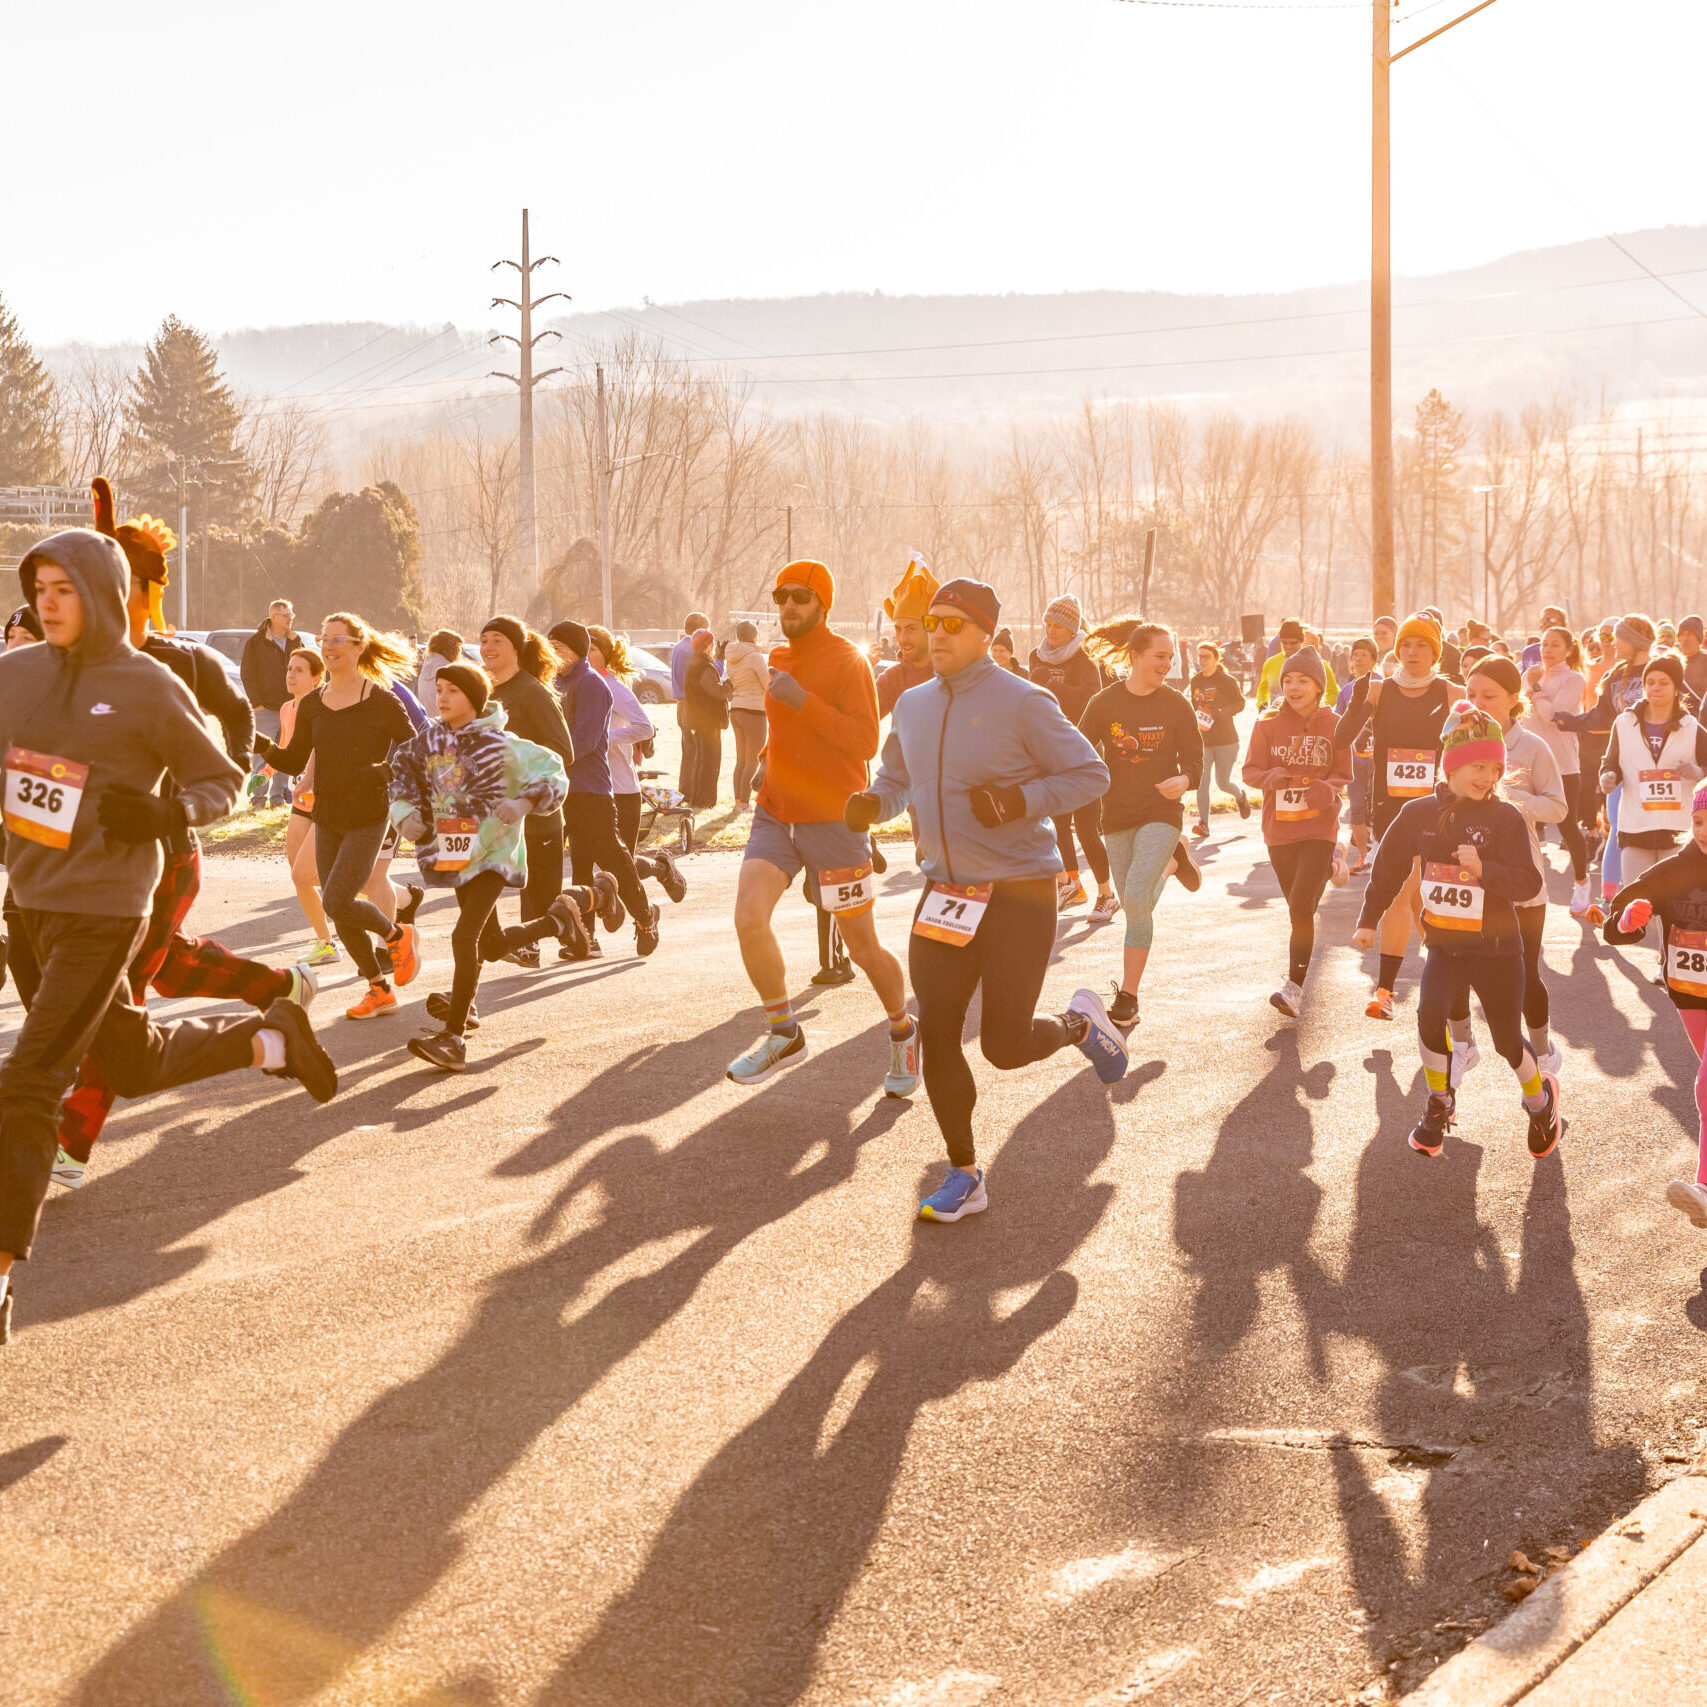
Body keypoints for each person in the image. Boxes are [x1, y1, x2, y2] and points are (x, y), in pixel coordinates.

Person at [0, 530, 336, 1345]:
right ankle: (269, 1042)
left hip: (108, 907)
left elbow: (221, 780)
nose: (47, 601)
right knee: (127, 1059)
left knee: (31, 1079)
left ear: (104, 594)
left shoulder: (146, 685)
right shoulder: (13, 674)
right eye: (39, 586)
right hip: (30, 902)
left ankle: (1, 1275)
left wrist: (167, 812)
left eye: (64, 587)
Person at [51, 484, 316, 1192]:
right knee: (165, 970)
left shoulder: (188, 664)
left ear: (142, 589)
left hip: (161, 857)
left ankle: (69, 1141)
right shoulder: (66, 661)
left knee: (119, 993)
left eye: (103, 584)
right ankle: (280, 986)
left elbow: (231, 748)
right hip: (81, 864)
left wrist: (175, 805)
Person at [845, 577, 1124, 1222]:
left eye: (952, 624)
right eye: (931, 622)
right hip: (944, 892)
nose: (937, 634)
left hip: (1020, 894)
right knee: (938, 1033)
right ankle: (965, 1172)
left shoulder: (1025, 701)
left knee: (1002, 1046)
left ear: (985, 635)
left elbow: (1091, 774)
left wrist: (1018, 802)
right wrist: (873, 804)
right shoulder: (912, 704)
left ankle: (1081, 1024)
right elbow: (894, 778)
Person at [725, 560, 917, 1095]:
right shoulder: (779, 655)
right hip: (776, 813)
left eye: (800, 598)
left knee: (861, 947)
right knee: (748, 917)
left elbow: (864, 743)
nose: (788, 606)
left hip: (834, 820)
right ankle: (784, 1031)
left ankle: (903, 1030)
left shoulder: (847, 661)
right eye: (782, 595)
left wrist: (802, 701)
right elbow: (787, 728)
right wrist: (768, 755)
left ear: (822, 606)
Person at [1352, 701, 1562, 1162]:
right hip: (1446, 946)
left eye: (1494, 767)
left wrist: (1485, 869)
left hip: (1499, 951)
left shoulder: (1505, 817)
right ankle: (1439, 1102)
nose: (1487, 777)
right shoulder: (1418, 814)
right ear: (1451, 764)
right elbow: (1386, 870)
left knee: (1508, 1041)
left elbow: (1528, 882)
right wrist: (1369, 920)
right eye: (1477, 765)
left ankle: (1540, 1103)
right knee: (1429, 1014)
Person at [388, 663, 580, 1069]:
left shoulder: (503, 745)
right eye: (439, 689)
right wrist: (406, 815)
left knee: (464, 936)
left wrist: (524, 802)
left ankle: (454, 1038)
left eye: (453, 691)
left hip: (495, 852)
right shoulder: (429, 741)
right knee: (490, 946)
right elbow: (400, 773)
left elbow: (555, 770)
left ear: (474, 698)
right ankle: (558, 923)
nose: (442, 697)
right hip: (455, 851)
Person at [256, 613, 423, 1019]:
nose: (328, 647)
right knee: (339, 906)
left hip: (369, 813)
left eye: (337, 640)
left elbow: (416, 750)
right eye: (324, 639)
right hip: (327, 813)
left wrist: (382, 772)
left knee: (337, 898)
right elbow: (294, 757)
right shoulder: (313, 704)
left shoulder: (382, 700)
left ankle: (396, 934)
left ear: (358, 646)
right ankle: (378, 988)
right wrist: (255, 740)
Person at [1078, 618, 1204, 1033]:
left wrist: (1185, 780)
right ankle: (1174, 862)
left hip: (1160, 814)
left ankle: (1128, 996)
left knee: (1132, 895)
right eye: (1160, 656)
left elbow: (1195, 762)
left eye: (1171, 657)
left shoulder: (1175, 705)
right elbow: (1079, 749)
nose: (1167, 664)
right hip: (1115, 816)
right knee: (1137, 905)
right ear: (1135, 656)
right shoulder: (1104, 703)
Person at [1333, 612, 1456, 1020]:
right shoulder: (1379, 691)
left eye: (1421, 645)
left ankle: (1424, 980)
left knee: (1417, 895)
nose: (1412, 652)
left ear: (1435, 651)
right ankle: (1395, 988)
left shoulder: (1451, 693)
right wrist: (1357, 702)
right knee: (1407, 895)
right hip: (1391, 811)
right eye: (1405, 645)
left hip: (1440, 811)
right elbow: (1341, 740)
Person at [1604, 783, 1707, 1226]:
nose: (1705, 831)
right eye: (1701, 822)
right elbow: (1614, 925)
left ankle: (1704, 1186)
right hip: (1692, 995)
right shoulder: (1674, 871)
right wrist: (1630, 921)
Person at [1463, 656, 1568, 1077]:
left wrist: (1512, 799)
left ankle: (1542, 1052)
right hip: (1473, 880)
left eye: (1489, 696)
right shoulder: (1459, 741)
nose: (1478, 703)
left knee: (1525, 974)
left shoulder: (1532, 747)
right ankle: (1463, 1048)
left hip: (1523, 879)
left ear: (1513, 699)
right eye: (1471, 695)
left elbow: (1559, 808)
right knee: (1465, 966)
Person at [1241, 646, 1351, 1018]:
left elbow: (1343, 774)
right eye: (1287, 680)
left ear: (1319, 686)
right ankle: (1335, 863)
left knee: (1302, 907)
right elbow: (1250, 771)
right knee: (1296, 908)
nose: (1293, 686)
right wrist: (1271, 776)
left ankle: (1294, 987)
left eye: (1302, 680)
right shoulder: (1267, 723)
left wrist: (1328, 788)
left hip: (1319, 825)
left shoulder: (1336, 724)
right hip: (1280, 830)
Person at [550, 619, 667, 957]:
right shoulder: (557, 683)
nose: (554, 654)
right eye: (551, 648)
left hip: (593, 789)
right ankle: (586, 938)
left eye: (559, 648)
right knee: (581, 865)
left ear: (576, 650)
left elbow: (584, 741)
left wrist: (546, 756)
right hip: (565, 789)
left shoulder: (592, 684)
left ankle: (645, 918)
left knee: (615, 861)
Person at [481, 615, 579, 969]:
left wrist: (521, 766)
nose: (488, 647)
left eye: (497, 641)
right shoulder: (489, 692)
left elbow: (563, 749)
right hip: (501, 812)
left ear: (516, 649)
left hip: (538, 811)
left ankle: (595, 900)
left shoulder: (532, 692)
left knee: (543, 891)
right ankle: (524, 943)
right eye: (485, 639)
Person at [1556, 615, 1659, 912]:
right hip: (1622, 762)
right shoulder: (1617, 674)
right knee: (1617, 827)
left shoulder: (1661, 669)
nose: (1615, 643)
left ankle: (1657, 897)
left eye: (1620, 638)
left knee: (1658, 830)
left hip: (1656, 764)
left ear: (1636, 640)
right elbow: (1601, 715)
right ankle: (1610, 899)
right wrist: (1571, 722)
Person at [1027, 593, 1116, 919]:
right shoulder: (1037, 655)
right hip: (1049, 753)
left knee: (1086, 828)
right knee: (1058, 825)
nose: (1051, 631)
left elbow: (1090, 698)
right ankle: (1072, 886)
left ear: (1071, 628)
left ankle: (1106, 894)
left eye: (1058, 626)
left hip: (1083, 753)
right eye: (1047, 624)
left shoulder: (1084, 658)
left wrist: (1051, 683)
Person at [1597, 652, 1707, 889]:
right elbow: (1610, 762)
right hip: (1636, 827)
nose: (1655, 688)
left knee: (1673, 908)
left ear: (1677, 688)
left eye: (1664, 683)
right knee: (1636, 905)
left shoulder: (1691, 728)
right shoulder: (1624, 724)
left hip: (1677, 829)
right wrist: (1608, 776)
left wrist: (1698, 771)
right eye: (1650, 682)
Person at [1523, 625, 1594, 917]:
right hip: (1528, 761)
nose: (1547, 650)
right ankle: (1527, 885)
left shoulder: (1574, 679)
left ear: (1568, 649)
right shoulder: (1532, 675)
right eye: (1544, 644)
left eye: (1554, 645)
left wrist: (1534, 689)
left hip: (1563, 764)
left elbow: (1551, 716)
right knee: (1522, 824)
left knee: (1567, 825)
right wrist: (1529, 685)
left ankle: (1582, 883)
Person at [277, 646, 340, 962]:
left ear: (317, 678)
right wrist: (265, 770)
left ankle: (396, 899)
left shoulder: (325, 708)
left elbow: (321, 750)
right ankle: (326, 942)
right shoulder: (287, 709)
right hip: (300, 799)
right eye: (289, 668)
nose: (291, 674)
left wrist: (311, 776)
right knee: (299, 871)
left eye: (299, 670)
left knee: (316, 875)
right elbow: (287, 748)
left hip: (327, 799)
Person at [1187, 639, 1252, 840]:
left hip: (1226, 740)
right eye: (1200, 656)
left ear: (1217, 658)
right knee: (1202, 782)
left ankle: (1240, 796)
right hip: (1204, 739)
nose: (1202, 660)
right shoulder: (1196, 680)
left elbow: (1240, 703)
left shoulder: (1227, 681)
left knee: (1222, 783)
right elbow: (1194, 704)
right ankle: (1203, 824)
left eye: (1206, 656)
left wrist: (1222, 712)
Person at [241, 598, 303, 807]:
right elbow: (247, 674)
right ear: (274, 617)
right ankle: (258, 798)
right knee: (262, 754)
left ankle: (278, 798)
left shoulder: (296, 641)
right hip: (265, 708)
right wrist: (257, 703)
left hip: (290, 706)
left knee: (286, 753)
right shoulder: (256, 642)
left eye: (291, 615)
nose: (290, 619)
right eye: (286, 615)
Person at [1335, 636, 1381, 872]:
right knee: (1356, 807)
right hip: (1355, 761)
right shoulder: (1345, 691)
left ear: (1374, 660)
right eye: (1354, 655)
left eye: (1364, 655)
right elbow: (1338, 724)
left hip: (1379, 760)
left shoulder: (1384, 685)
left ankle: (1379, 854)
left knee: (1379, 807)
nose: (1358, 659)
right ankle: (1364, 856)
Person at [680, 628, 730, 809]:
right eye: (711, 643)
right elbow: (717, 691)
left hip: (699, 720)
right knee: (710, 761)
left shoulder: (696, 663)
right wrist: (730, 684)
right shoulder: (704, 667)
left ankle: (699, 798)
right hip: (707, 721)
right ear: (707, 646)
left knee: (702, 760)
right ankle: (705, 800)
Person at [724, 619, 770, 811]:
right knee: (753, 758)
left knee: (741, 758)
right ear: (754, 636)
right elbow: (768, 684)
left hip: (736, 709)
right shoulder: (755, 657)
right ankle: (744, 803)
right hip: (754, 710)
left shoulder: (731, 657)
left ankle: (737, 801)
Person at [1258, 618, 1339, 710]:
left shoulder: (1319, 664)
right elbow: (1263, 689)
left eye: (1293, 643)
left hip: (1309, 720)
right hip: (1276, 719)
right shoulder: (1270, 663)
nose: (1288, 646)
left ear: (1302, 642)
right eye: (1284, 642)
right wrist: (1262, 705)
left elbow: (1333, 693)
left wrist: (1317, 708)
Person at [671, 610, 710, 795]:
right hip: (692, 705)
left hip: (680, 703)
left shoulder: (678, 647)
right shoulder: (692, 649)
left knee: (688, 749)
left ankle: (685, 788)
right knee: (697, 750)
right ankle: (692, 790)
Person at [418, 628, 464, 706]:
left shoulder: (425, 669)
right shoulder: (449, 671)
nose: (460, 653)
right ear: (453, 649)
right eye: (459, 648)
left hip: (428, 717)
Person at [1679, 616, 1707, 701]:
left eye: (1689, 634)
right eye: (1682, 634)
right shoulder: (1674, 661)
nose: (1685, 639)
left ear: (1699, 639)